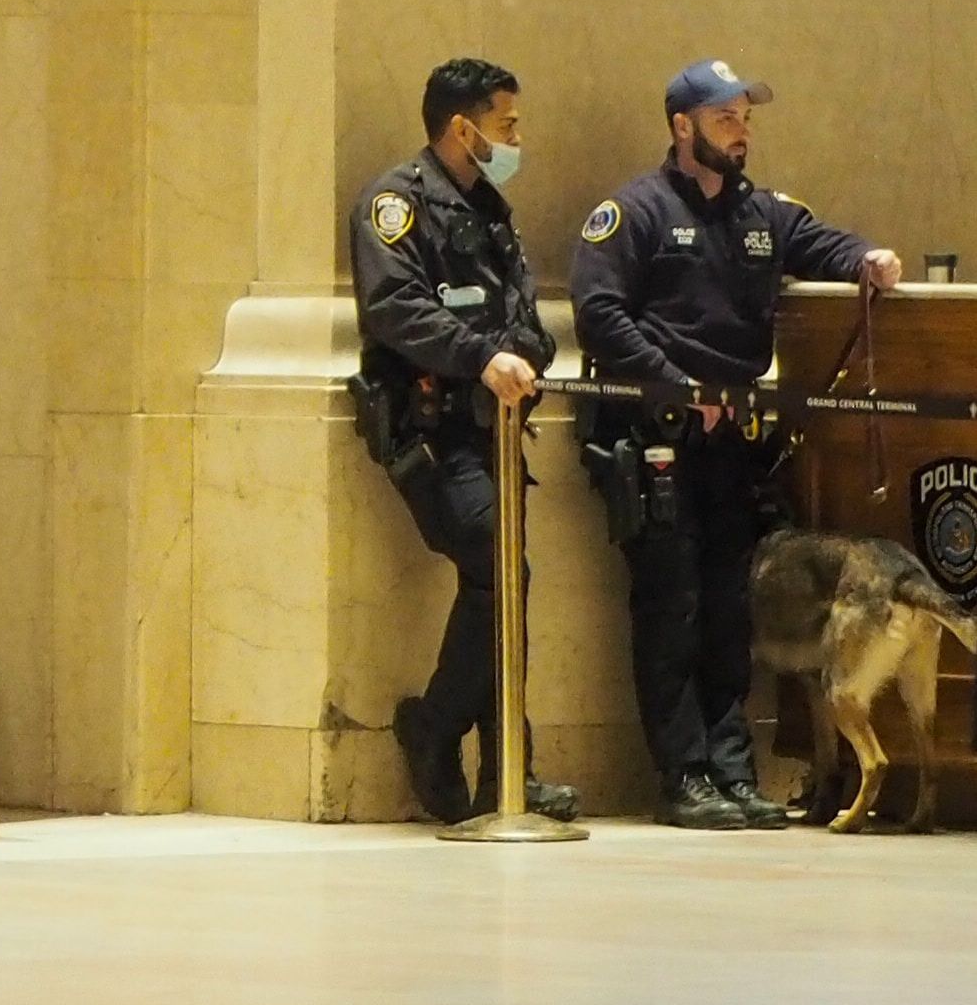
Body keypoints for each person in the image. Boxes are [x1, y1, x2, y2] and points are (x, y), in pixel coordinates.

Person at [571, 59, 903, 828]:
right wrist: (676, 386)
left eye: (745, 118)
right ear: (681, 126)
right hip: (658, 436)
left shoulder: (759, 213)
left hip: (732, 445)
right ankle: (682, 775)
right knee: (671, 604)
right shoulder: (633, 211)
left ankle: (730, 770)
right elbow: (598, 313)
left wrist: (866, 258)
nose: (740, 130)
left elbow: (820, 242)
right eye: (724, 117)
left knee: (729, 606)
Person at [349, 57, 575, 826]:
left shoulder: (491, 209)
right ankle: (444, 728)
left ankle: (501, 770)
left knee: (503, 574)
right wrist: (480, 355)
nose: (515, 139)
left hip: (492, 426)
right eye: (505, 125)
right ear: (461, 127)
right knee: (497, 563)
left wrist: (523, 352)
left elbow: (524, 315)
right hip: (429, 429)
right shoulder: (394, 204)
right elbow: (393, 307)